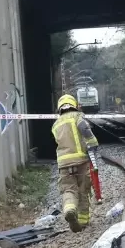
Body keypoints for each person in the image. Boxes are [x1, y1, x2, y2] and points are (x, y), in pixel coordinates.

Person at [52, 94, 99, 232]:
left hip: (64, 164)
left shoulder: (56, 124)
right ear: (74, 105)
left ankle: (69, 209)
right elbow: (85, 130)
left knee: (68, 189)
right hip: (81, 161)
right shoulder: (78, 117)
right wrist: (93, 143)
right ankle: (83, 221)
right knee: (83, 189)